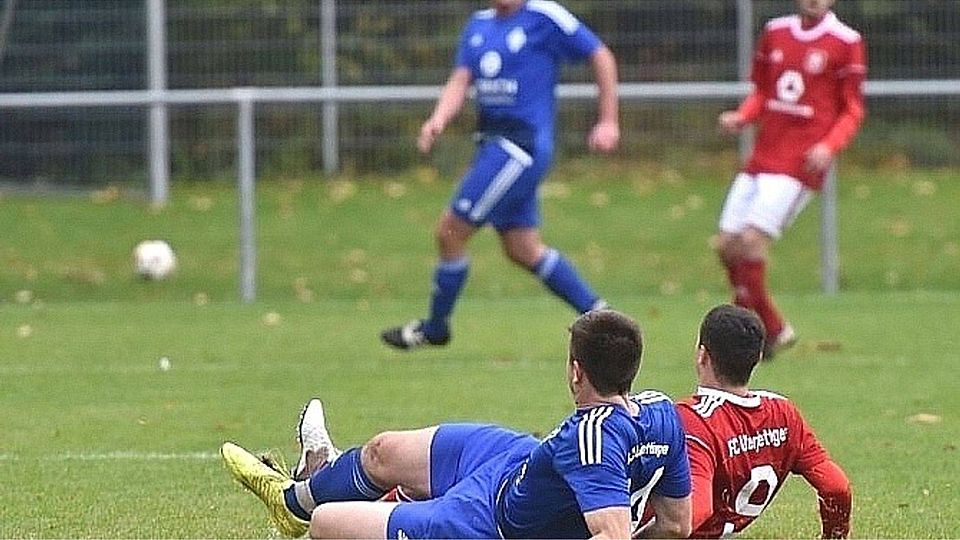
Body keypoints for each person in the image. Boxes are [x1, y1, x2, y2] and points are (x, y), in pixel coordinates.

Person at [222, 309, 692, 539]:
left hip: (486, 522)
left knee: (328, 526)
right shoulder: (661, 412)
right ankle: (291, 502)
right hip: (514, 461)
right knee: (382, 451)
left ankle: (323, 504)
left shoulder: (594, 439)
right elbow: (676, 526)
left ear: (575, 371)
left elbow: (611, 535)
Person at [380, 0, 620, 350]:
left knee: (450, 233)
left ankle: (435, 328)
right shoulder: (478, 25)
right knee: (523, 248)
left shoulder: (544, 16)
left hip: (519, 147)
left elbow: (601, 55)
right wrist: (438, 118)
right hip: (492, 146)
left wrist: (608, 119)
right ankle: (602, 318)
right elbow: (461, 78)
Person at [715, 0, 867, 358]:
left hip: (800, 163)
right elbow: (763, 92)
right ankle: (771, 327)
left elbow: (853, 108)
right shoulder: (776, 31)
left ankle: (750, 328)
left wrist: (829, 146)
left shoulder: (846, 40)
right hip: (763, 156)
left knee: (752, 242)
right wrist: (743, 117)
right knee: (726, 245)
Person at [676, 304, 852, 538]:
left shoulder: (692, 419)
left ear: (702, 355)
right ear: (758, 358)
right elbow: (836, 487)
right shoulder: (782, 412)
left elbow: (694, 511)